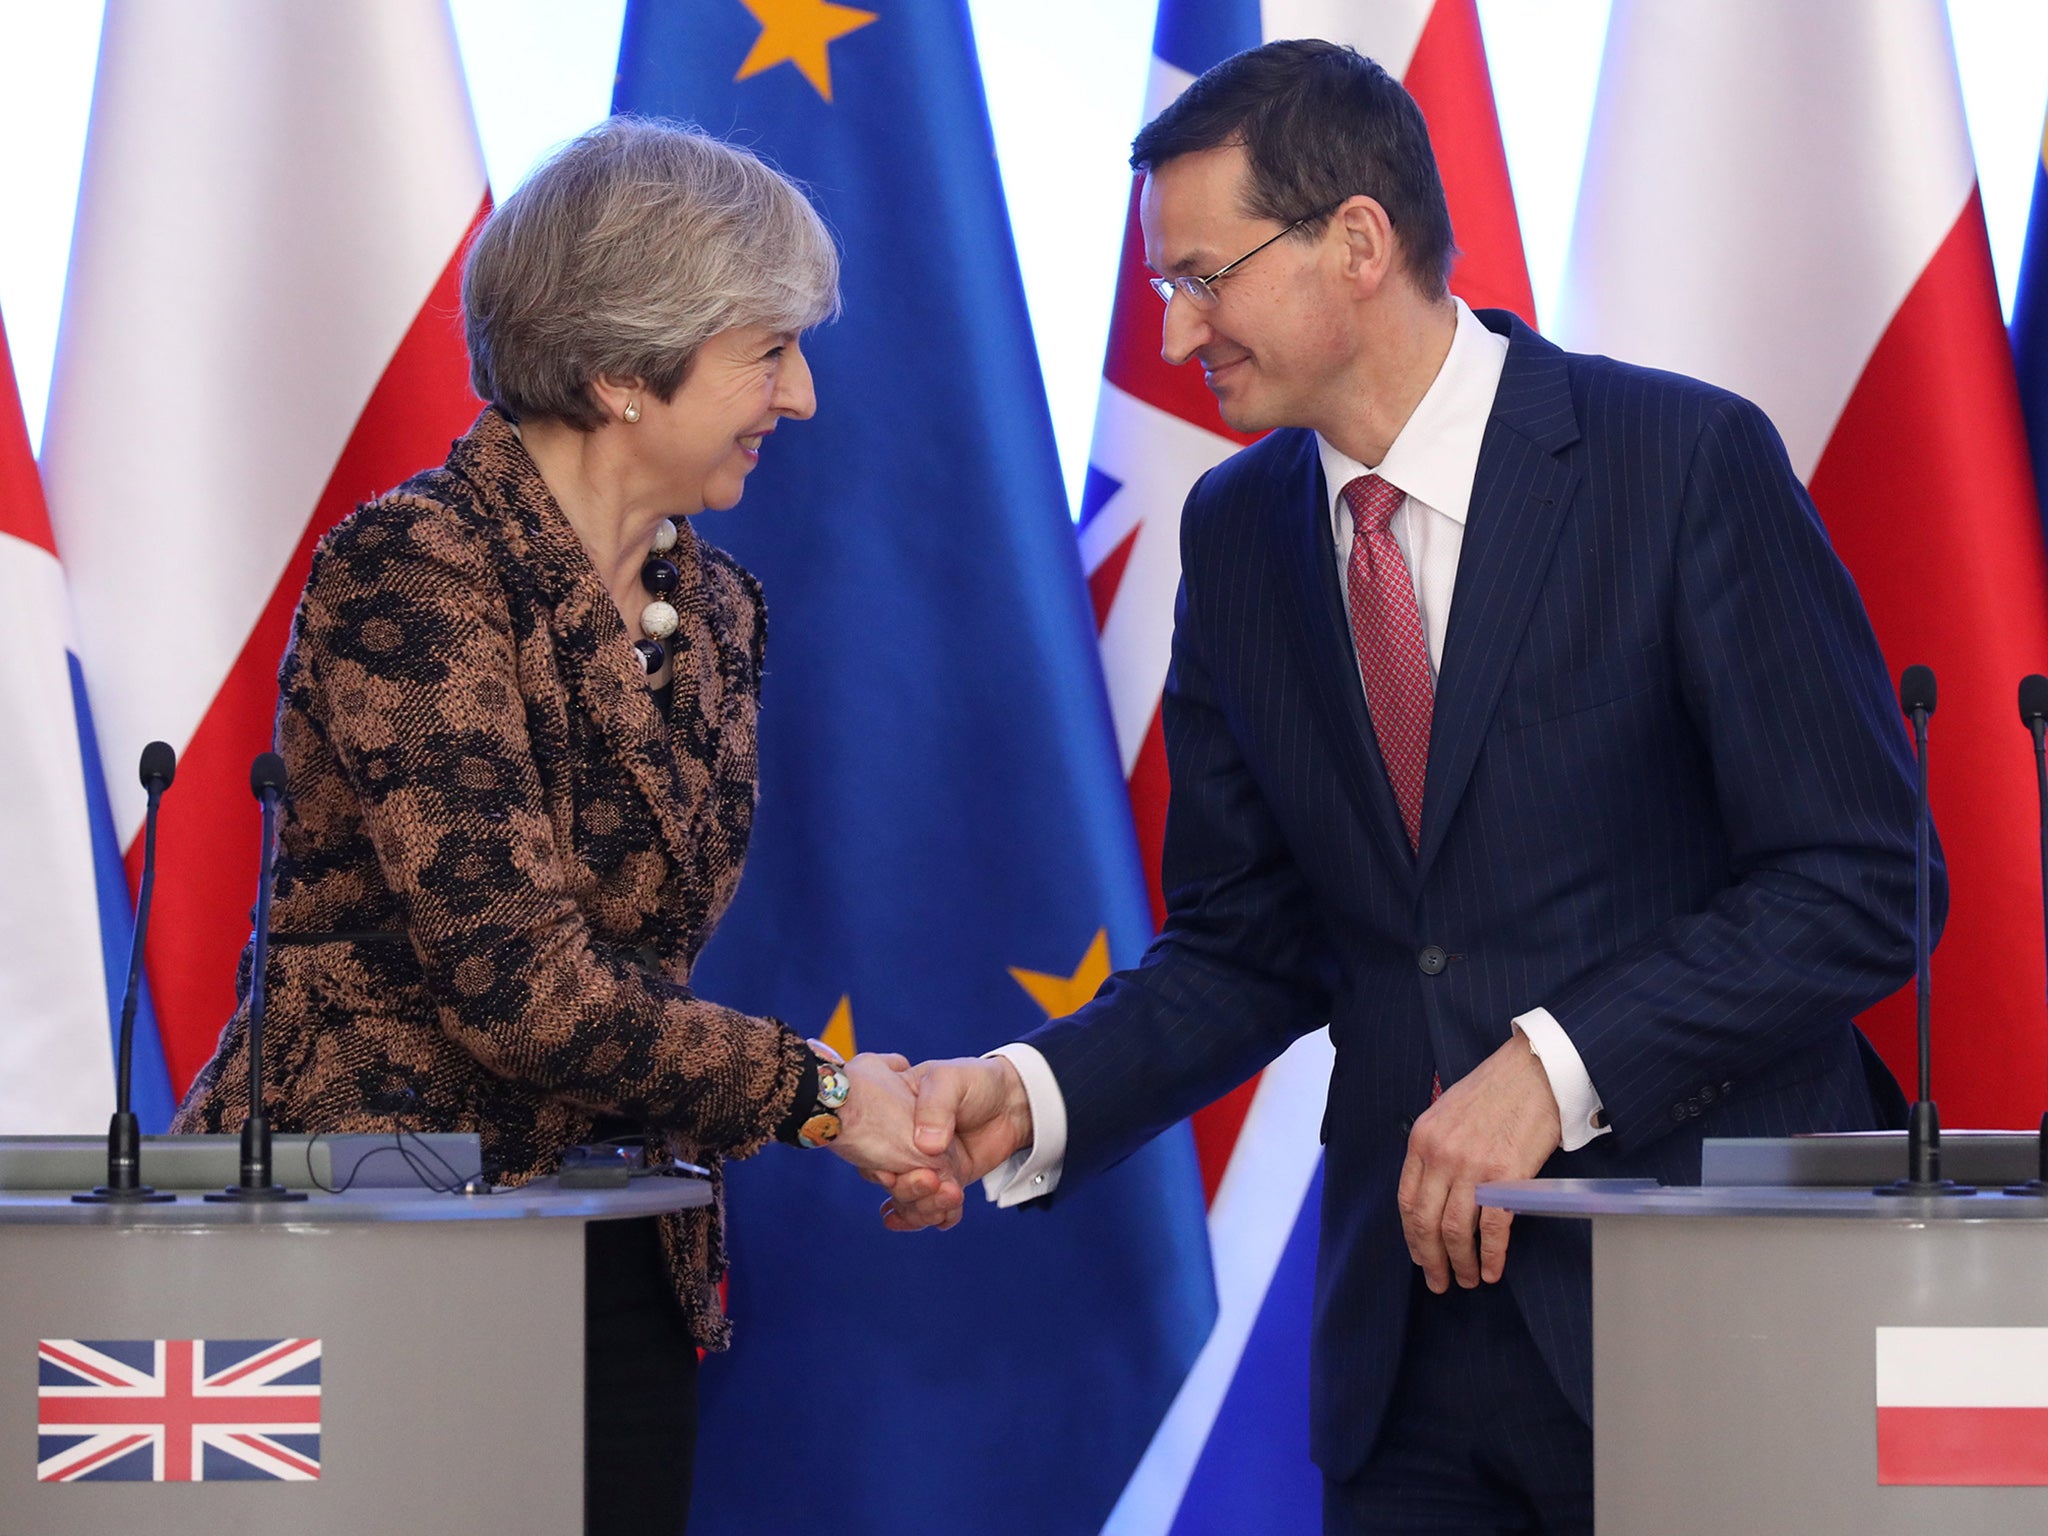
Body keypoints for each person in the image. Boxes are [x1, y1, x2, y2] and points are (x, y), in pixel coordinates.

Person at [880, 41, 1935, 1534]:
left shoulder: (1675, 462)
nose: (1177, 334)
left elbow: (1864, 882)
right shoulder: (1240, 536)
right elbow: (1250, 947)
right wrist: (1034, 1092)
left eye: (1202, 277)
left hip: (1702, 1313)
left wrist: (1554, 1069)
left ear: (1357, 242)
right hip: (1413, 1367)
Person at [168, 117, 936, 1536]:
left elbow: (643, 970)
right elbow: (524, 987)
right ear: (619, 369)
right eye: (767, 352)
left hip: (619, 1248)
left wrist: (848, 1100)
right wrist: (829, 1098)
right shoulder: (415, 570)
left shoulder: (717, 612)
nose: (805, 397)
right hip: (379, 1246)